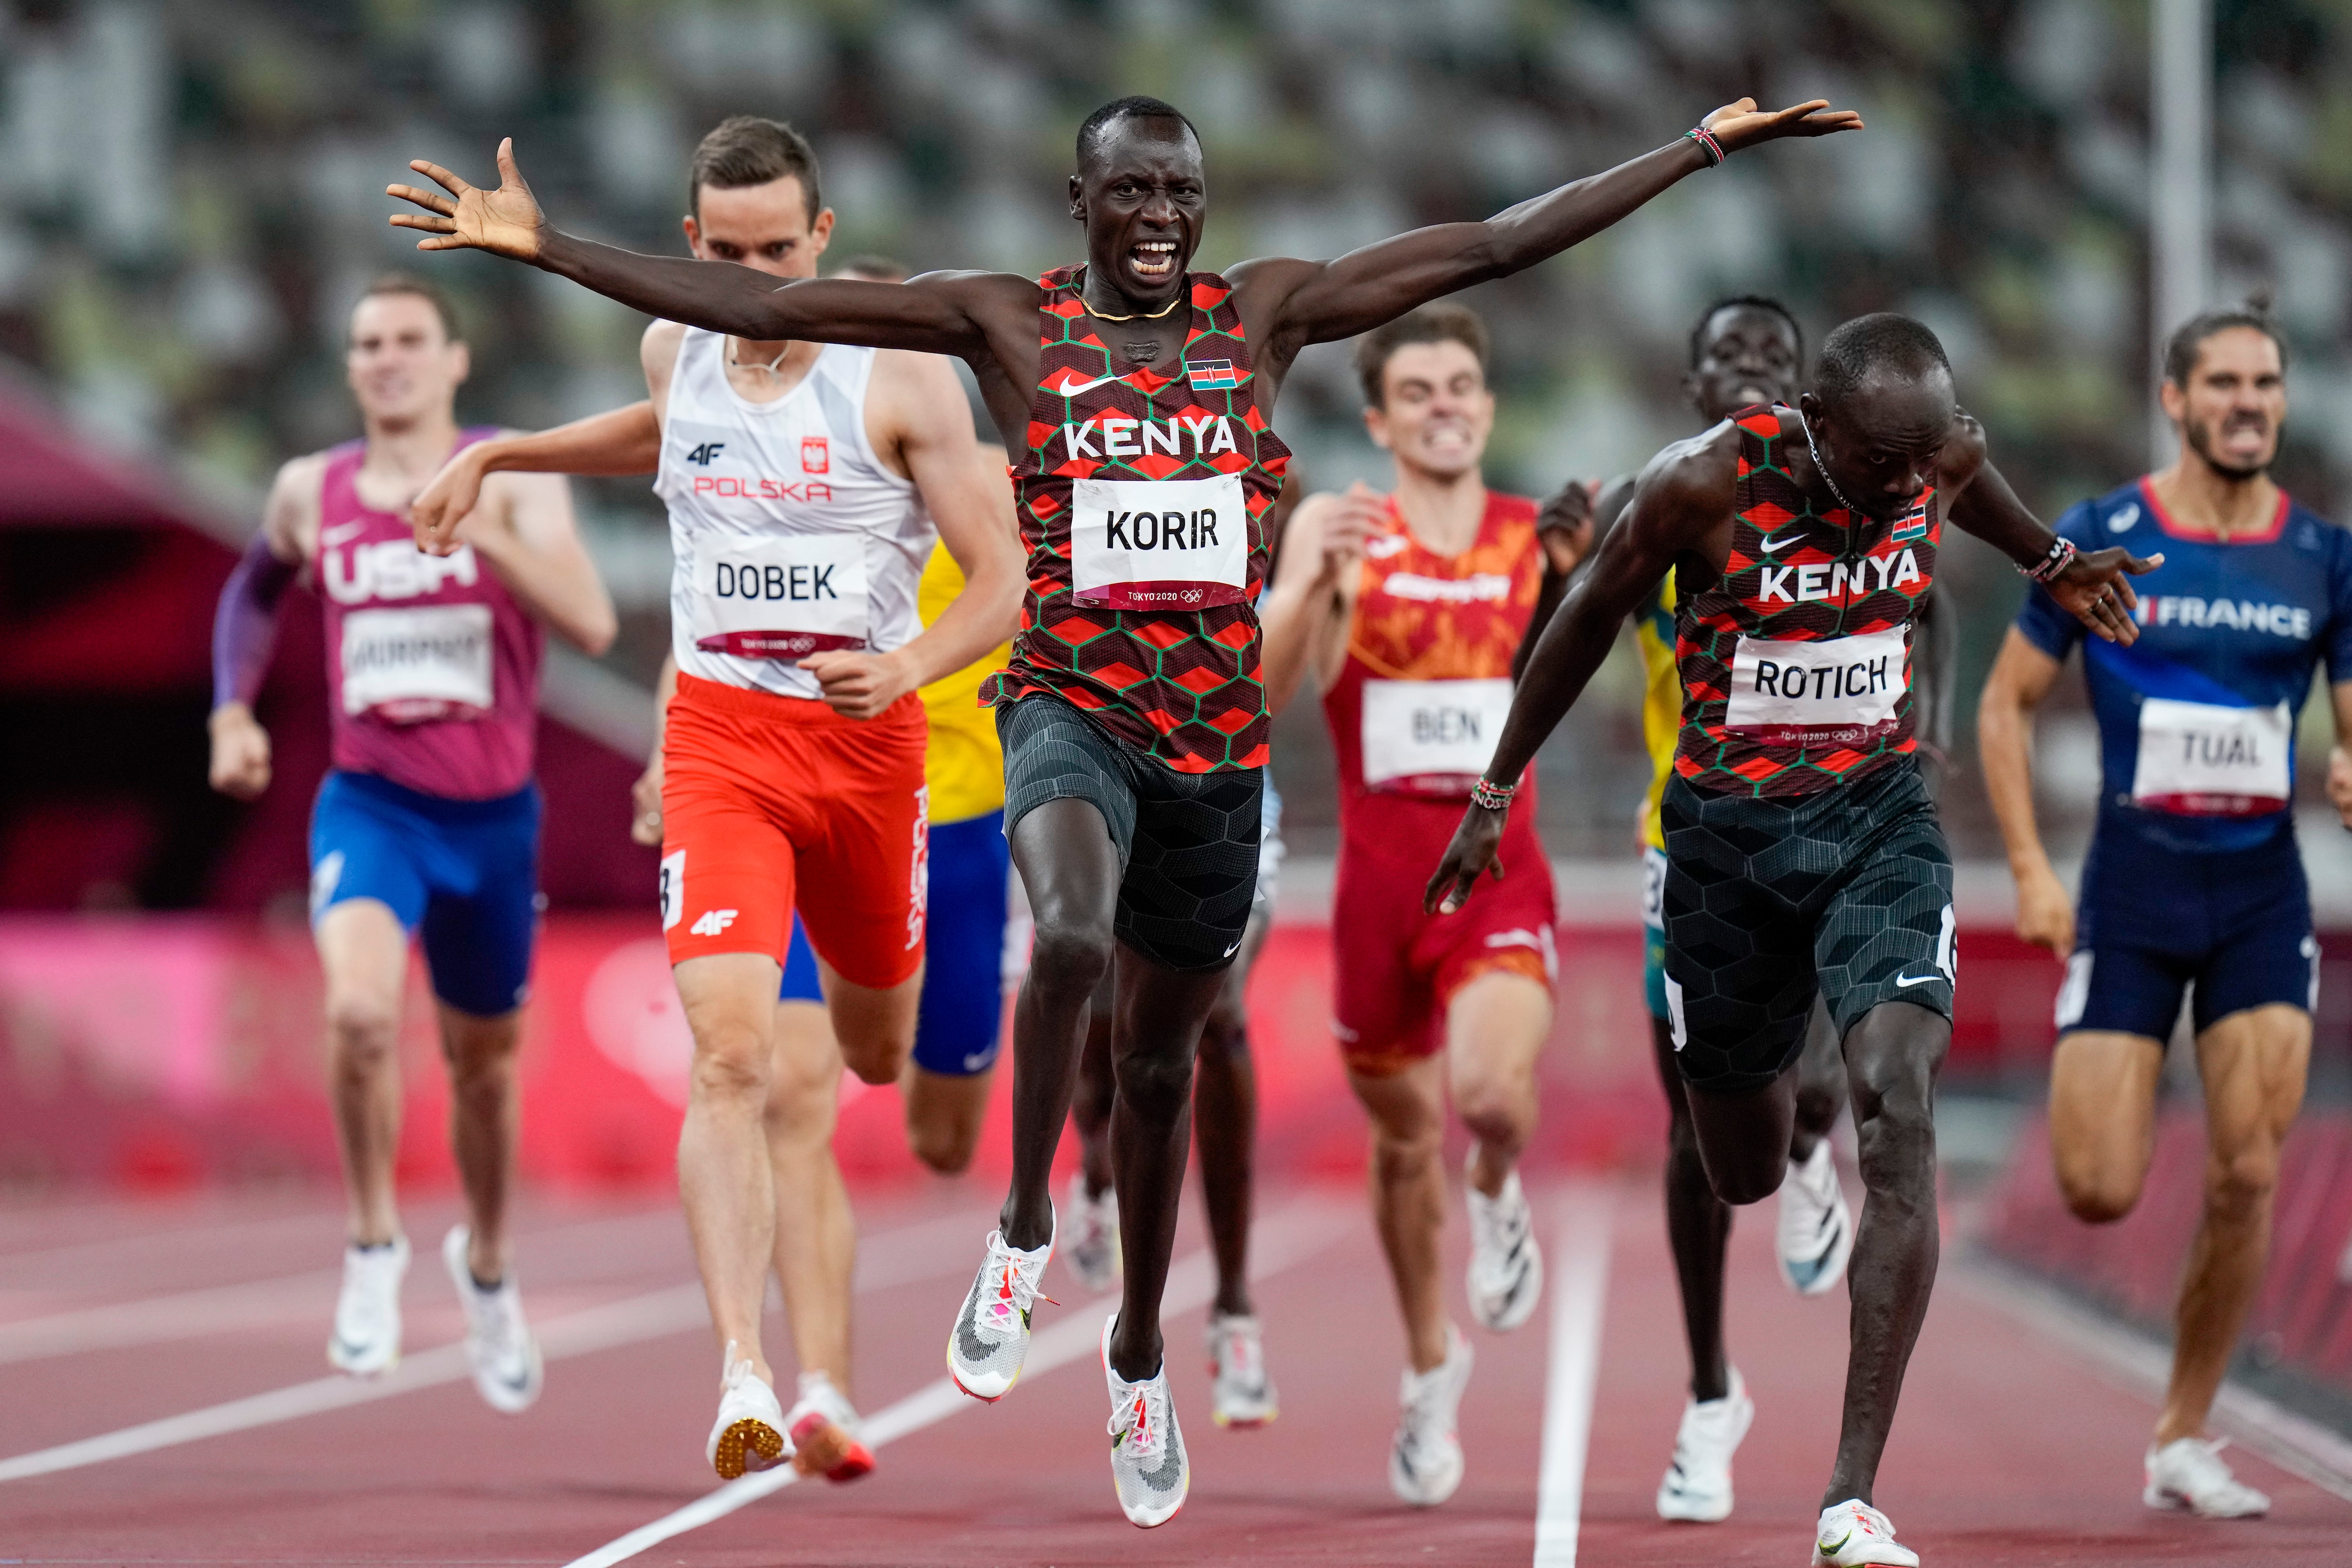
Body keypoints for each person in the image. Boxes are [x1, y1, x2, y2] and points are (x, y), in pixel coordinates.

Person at [389, 88, 1860, 1528]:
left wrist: (1696, 148)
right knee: (1075, 937)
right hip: (1066, 709)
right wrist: (550, 248)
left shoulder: (1265, 314)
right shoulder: (1007, 322)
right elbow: (767, 313)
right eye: (1131, 192)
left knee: (1160, 1074)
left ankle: (1139, 1353)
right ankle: (1026, 1226)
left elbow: (1487, 245)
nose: (1158, 217)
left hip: (1215, 749)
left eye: (1180, 191)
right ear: (1078, 205)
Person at [1429, 313, 2156, 1566]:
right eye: (1885, 468)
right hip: (1724, 843)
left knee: (1901, 1104)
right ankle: (1790, 1092)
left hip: (1880, 821)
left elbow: (1972, 486)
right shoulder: (1703, 483)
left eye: (1927, 465)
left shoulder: (1935, 452)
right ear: (1821, 431)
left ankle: (1850, 1494)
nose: (1909, 488)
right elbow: (1588, 618)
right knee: (1741, 1167)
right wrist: (1494, 793)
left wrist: (2051, 560)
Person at [405, 119, 1023, 1484]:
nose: (755, 283)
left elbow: (1003, 582)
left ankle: (900, 1054)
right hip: (723, 742)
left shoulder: (907, 378)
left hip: (868, 754)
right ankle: (747, 1367)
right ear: (693, 248)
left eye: (778, 253)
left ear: (821, 234)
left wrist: (911, 661)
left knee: (872, 1052)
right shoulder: (674, 346)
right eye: (727, 257)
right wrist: (501, 456)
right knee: (736, 1058)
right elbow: (659, 436)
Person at [207, 273, 616, 1415]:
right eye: (366, 343)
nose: (385, 358)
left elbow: (588, 619)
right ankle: (373, 1243)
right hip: (373, 805)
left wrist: (483, 526)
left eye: (407, 341)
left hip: (493, 823)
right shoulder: (311, 489)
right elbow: (251, 593)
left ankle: (485, 1264)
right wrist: (230, 708)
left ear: (454, 360)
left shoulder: (514, 473)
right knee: (356, 1013)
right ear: (350, 367)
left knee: (485, 1071)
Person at [1978, 304, 2352, 1520]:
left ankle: (2183, 1431)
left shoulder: (2324, 558)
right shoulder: (2103, 534)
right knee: (2098, 1183)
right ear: (2176, 398)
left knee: (2248, 1170)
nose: (2250, 401)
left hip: (2258, 892)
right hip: (2131, 891)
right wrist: (2032, 867)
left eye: (2268, 383)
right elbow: (2004, 706)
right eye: (2225, 382)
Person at [1254, 304, 1583, 1505]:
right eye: (1421, 390)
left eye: (1464, 385)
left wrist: (1580, 569)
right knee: (1400, 1140)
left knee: (1490, 1098)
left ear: (1488, 408)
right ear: (1381, 418)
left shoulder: (1534, 540)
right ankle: (1427, 1361)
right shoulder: (1342, 533)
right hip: (1374, 895)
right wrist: (1305, 580)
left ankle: (1496, 1182)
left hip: (1498, 878)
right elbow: (1259, 692)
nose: (1446, 404)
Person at [1574, 296, 1857, 1522]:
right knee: (1696, 1135)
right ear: (1691, 390)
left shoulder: (1850, 502)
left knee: (1831, 1075)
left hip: (1829, 832)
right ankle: (1706, 1395)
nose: (1751, 371)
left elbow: (1932, 603)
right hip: (1684, 854)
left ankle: (1809, 1148)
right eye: (1727, 358)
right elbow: (1565, 637)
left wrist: (1932, 737)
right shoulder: (1666, 510)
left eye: (1775, 359)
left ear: (1805, 388)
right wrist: (1555, 569)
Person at [763, 254, 1021, 1181]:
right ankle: (788, 1319)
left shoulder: (997, 485)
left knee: (942, 1141)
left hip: (956, 834)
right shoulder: (780, 478)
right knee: (790, 1086)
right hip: (813, 811)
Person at [1062, 476, 1307, 1434]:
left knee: (1219, 1016)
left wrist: (1311, 581)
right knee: (1102, 999)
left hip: (1228, 795)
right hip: (1110, 776)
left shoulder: (1262, 514)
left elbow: (1280, 683)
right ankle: (1091, 1163)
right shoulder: (1084, 504)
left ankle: (1235, 1305)